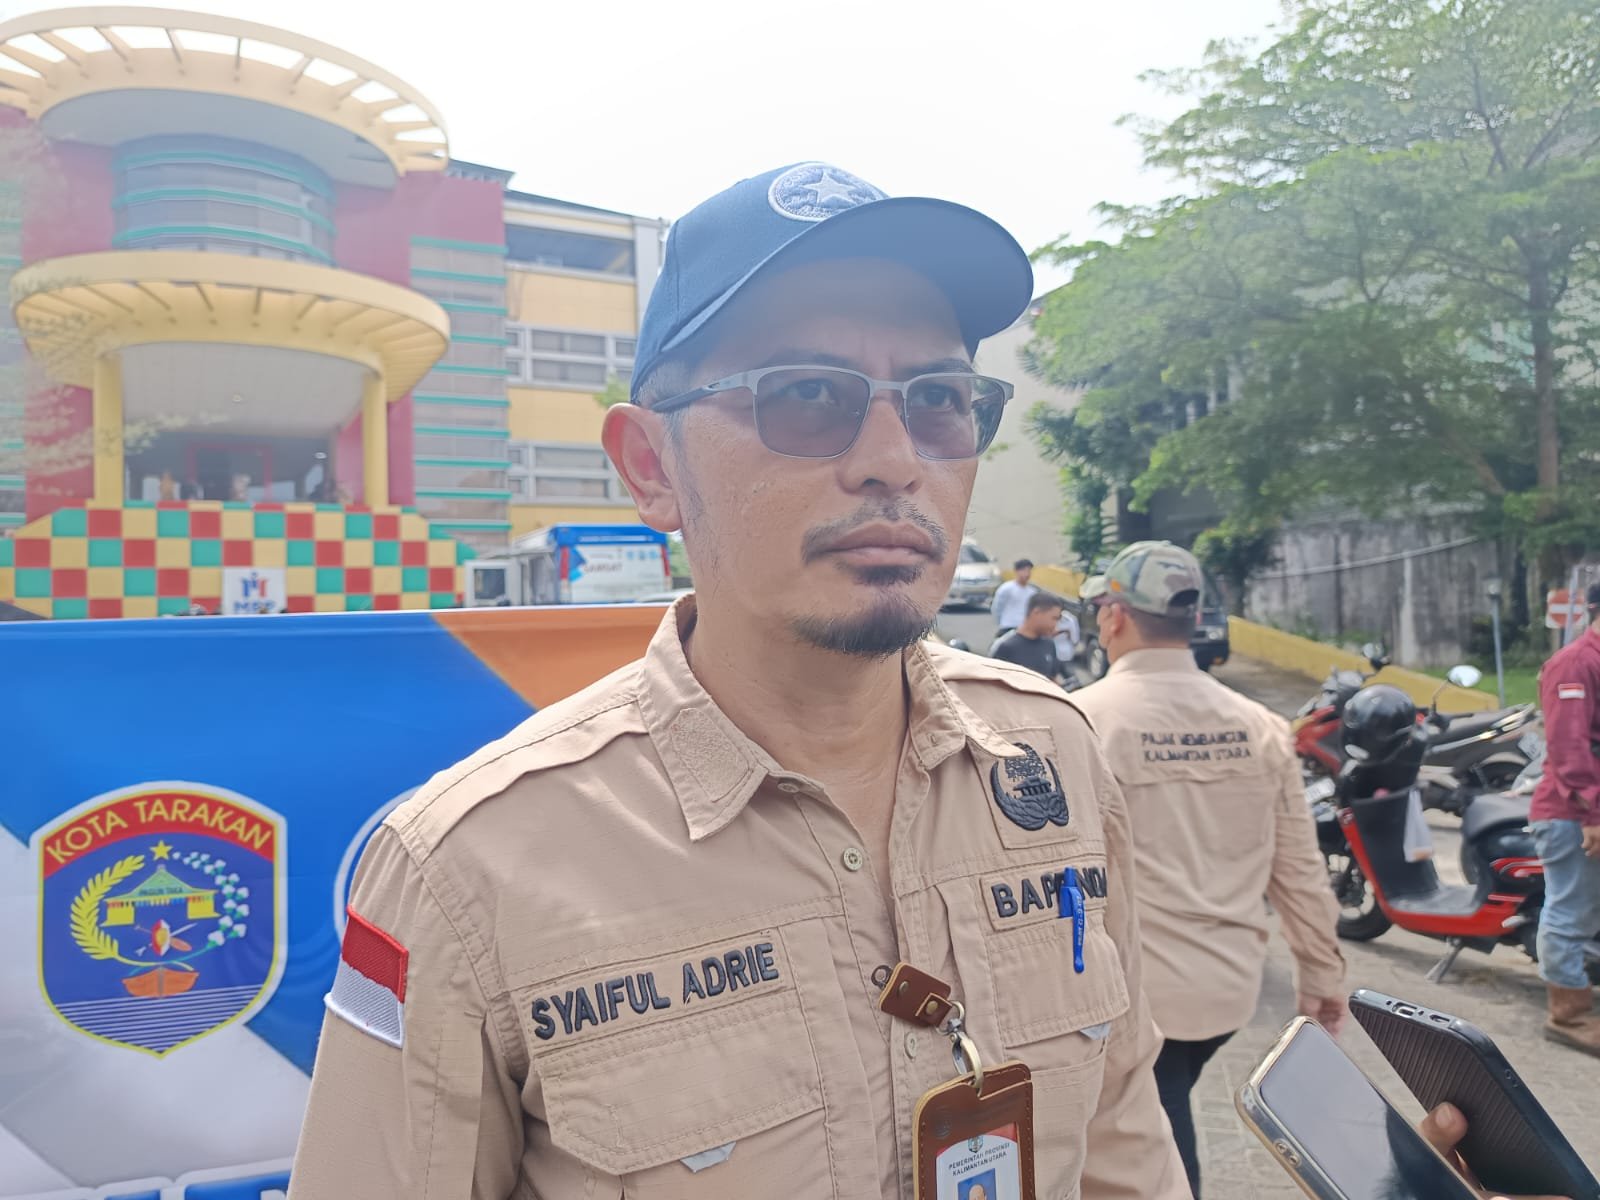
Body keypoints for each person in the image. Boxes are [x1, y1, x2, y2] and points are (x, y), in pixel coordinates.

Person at [288, 164, 1191, 1199]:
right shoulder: (468, 870)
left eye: (939, 401)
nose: (895, 460)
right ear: (651, 467)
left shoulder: (1052, 753)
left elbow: (1123, 1143)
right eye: (807, 396)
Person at [1070, 540, 1346, 1199]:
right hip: (1227, 993)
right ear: (1194, 621)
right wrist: (1322, 975)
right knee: (1160, 1119)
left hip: (1135, 1002)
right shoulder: (1259, 725)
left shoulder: (1081, 721)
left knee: (1148, 1154)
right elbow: (1298, 869)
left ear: (1114, 616)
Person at [1530, 581, 1600, 1055]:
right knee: (1570, 911)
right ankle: (1567, 1013)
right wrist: (1591, 813)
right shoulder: (1575, 663)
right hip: (1573, 814)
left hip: (1588, 811)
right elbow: (1569, 746)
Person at [989, 591, 1069, 684]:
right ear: (1036, 613)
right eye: (1054, 618)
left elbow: (1052, 679)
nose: (1056, 625)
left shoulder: (1049, 644)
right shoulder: (1005, 646)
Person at [990, 557, 1035, 637]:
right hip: (1008, 626)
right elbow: (997, 607)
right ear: (1016, 571)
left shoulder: (1032, 592)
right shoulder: (1006, 588)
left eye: (1029, 571)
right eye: (1024, 570)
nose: (1027, 574)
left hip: (1024, 627)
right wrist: (1000, 622)